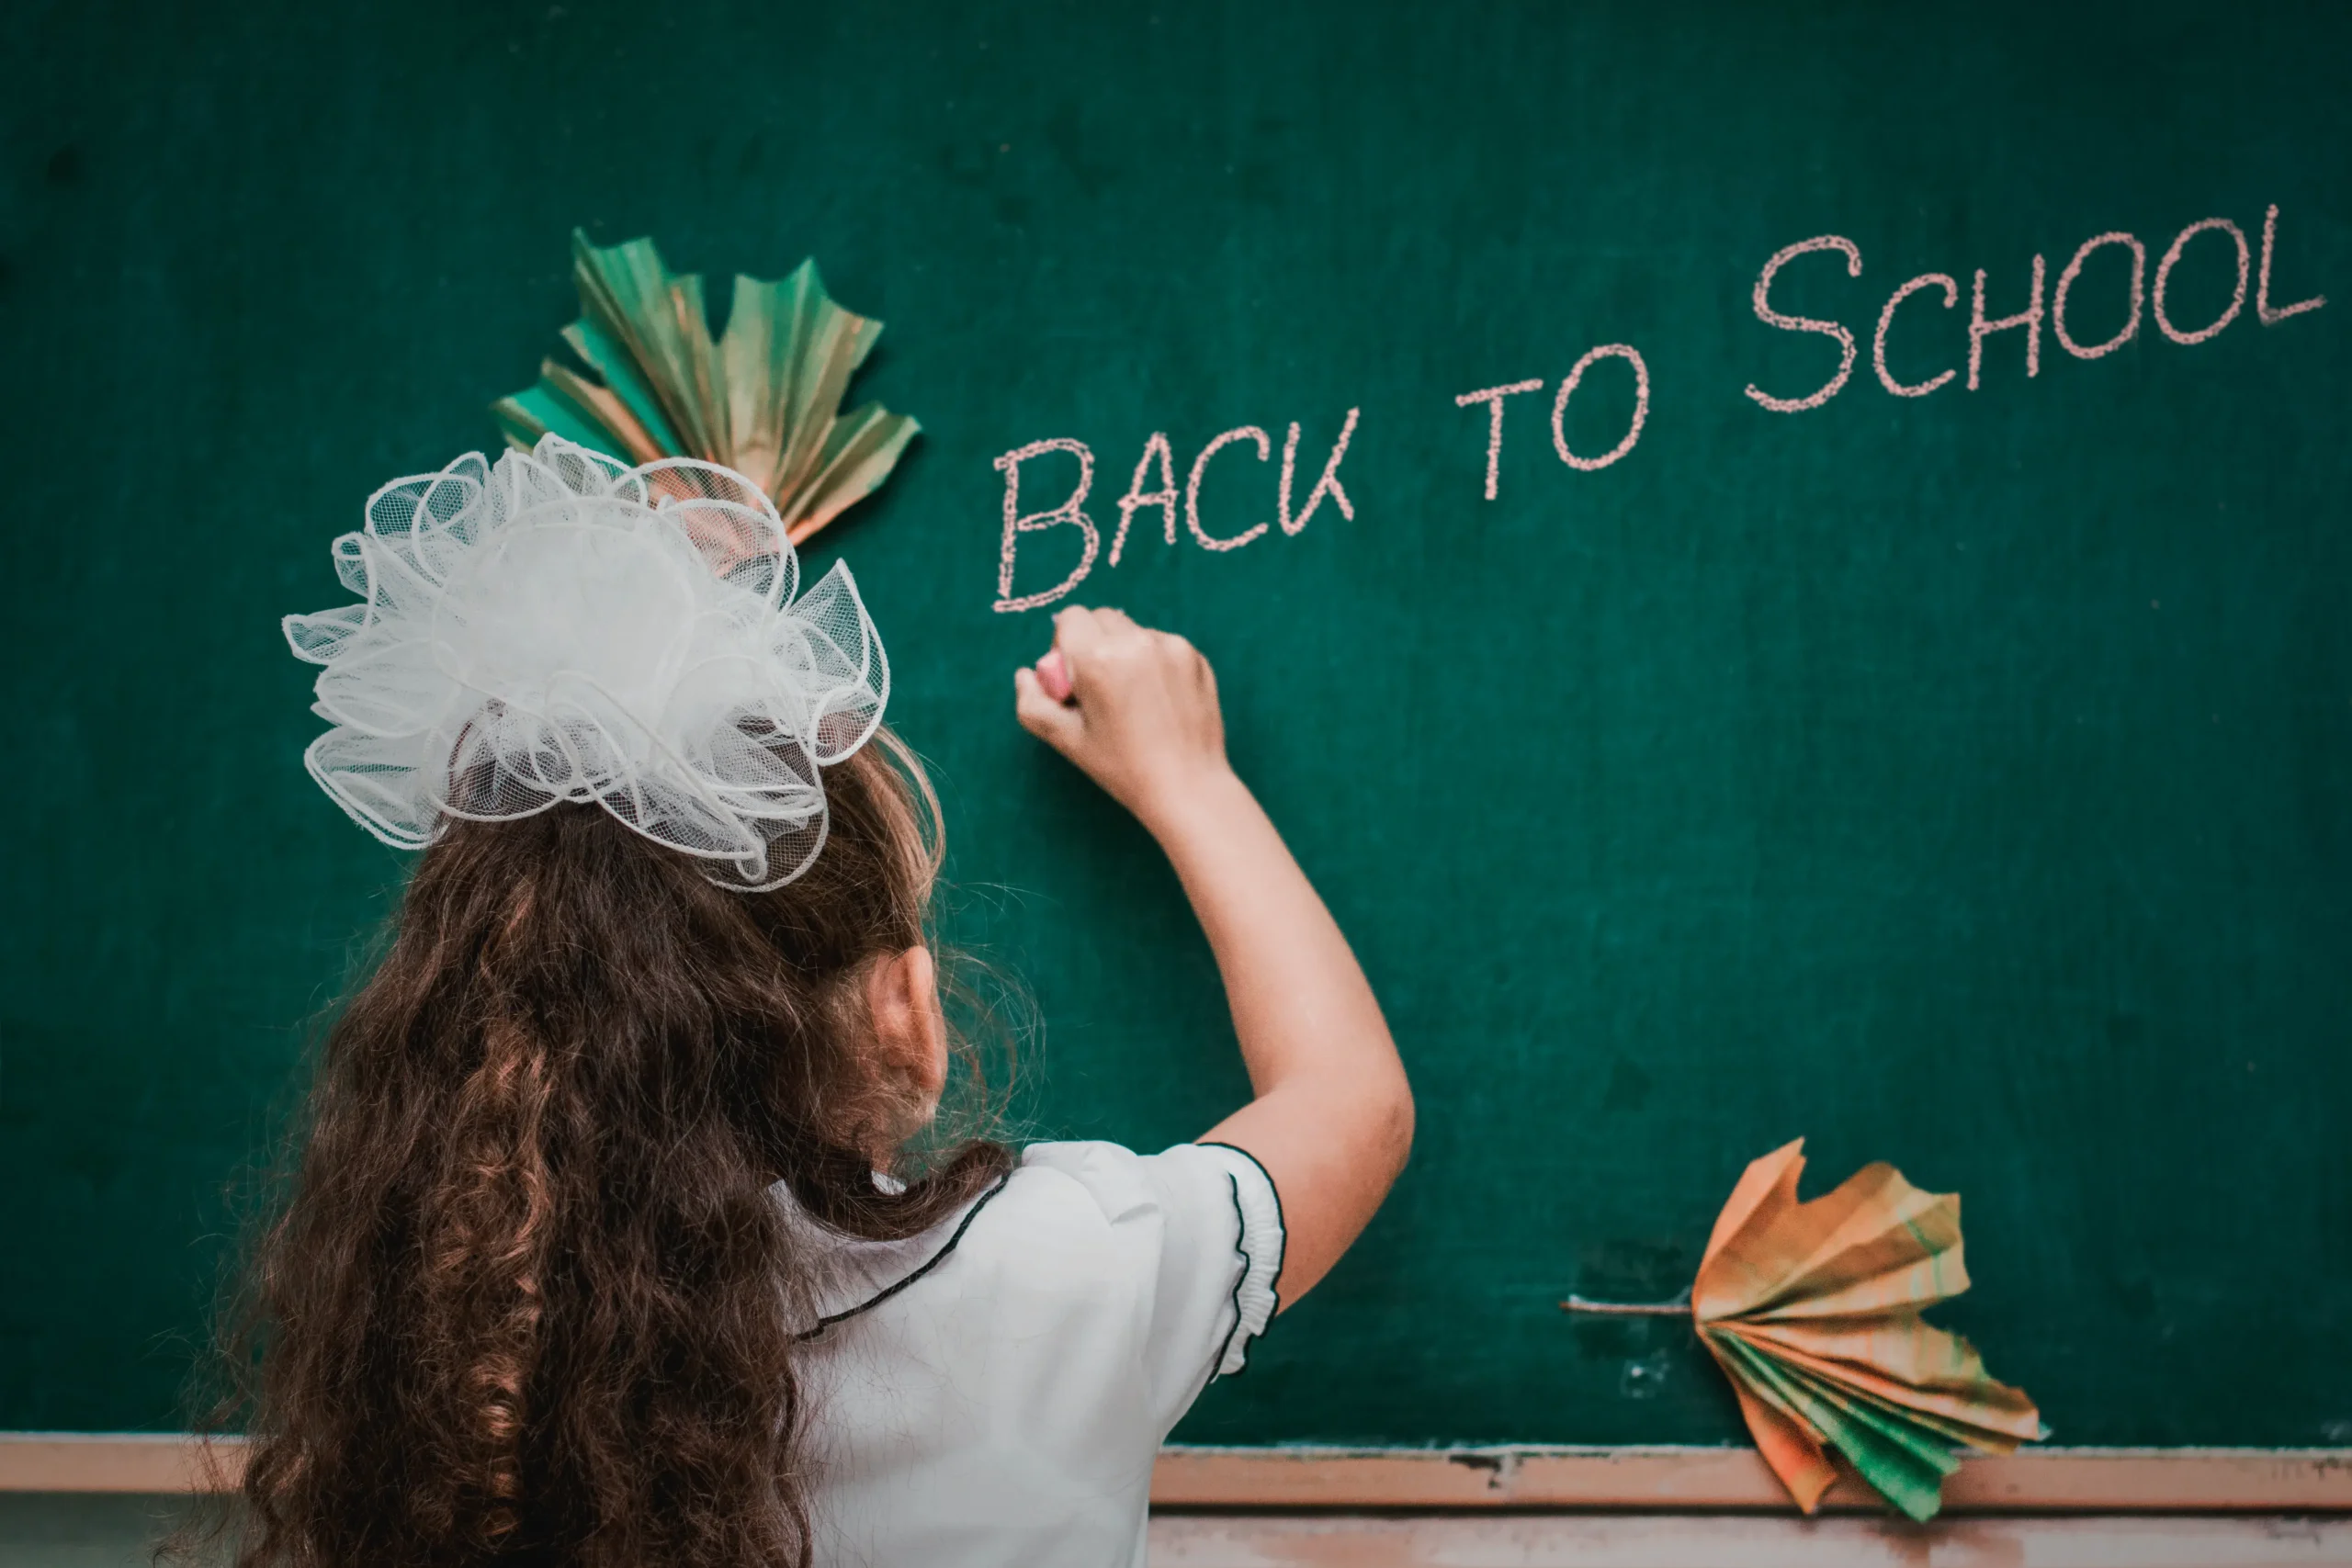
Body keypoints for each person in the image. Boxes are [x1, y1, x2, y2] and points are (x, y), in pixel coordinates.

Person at [221, 437, 1411, 1568]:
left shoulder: (443, 1352)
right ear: (905, 1016)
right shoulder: (1050, 1276)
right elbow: (1353, 1103)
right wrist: (1189, 779)